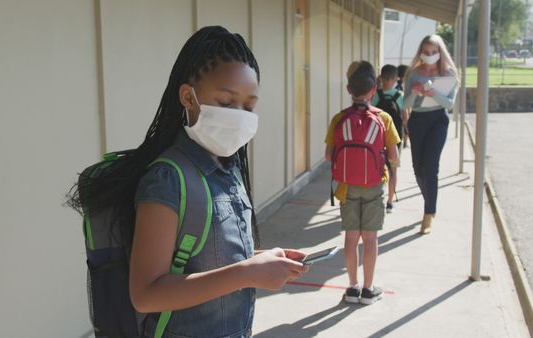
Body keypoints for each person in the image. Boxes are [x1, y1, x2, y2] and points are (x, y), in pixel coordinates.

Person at [71, 26, 309, 338]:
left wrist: (259, 262)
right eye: (226, 101)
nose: (240, 115)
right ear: (188, 97)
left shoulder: (230, 168)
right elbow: (146, 294)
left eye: (249, 106)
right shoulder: (167, 179)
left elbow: (208, 260)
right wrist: (246, 274)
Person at [325, 61, 400, 305]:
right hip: (374, 186)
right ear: (373, 90)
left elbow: (329, 156)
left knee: (350, 238)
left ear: (349, 89)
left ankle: (352, 287)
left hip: (346, 187)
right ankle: (368, 290)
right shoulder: (384, 119)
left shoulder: (338, 119)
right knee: (370, 239)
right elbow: (394, 157)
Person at [403, 34, 458, 235]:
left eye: (433, 52)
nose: (430, 55)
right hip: (417, 120)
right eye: (426, 52)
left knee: (431, 167)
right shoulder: (413, 74)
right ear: (420, 52)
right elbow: (405, 105)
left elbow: (450, 104)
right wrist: (415, 92)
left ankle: (429, 214)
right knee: (418, 169)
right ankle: (430, 200)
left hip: (438, 121)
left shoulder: (449, 73)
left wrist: (434, 93)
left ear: (440, 52)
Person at [371, 64, 406, 213]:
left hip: (377, 138)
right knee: (393, 171)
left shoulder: (376, 95)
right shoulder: (399, 96)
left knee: (376, 169)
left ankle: (374, 199)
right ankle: (390, 202)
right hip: (395, 138)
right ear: (394, 79)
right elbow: (405, 117)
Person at [397, 64, 410, 148]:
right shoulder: (404, 84)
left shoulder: (395, 83)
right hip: (403, 109)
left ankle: (404, 142)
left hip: (397, 110)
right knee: (405, 126)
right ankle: (405, 142)